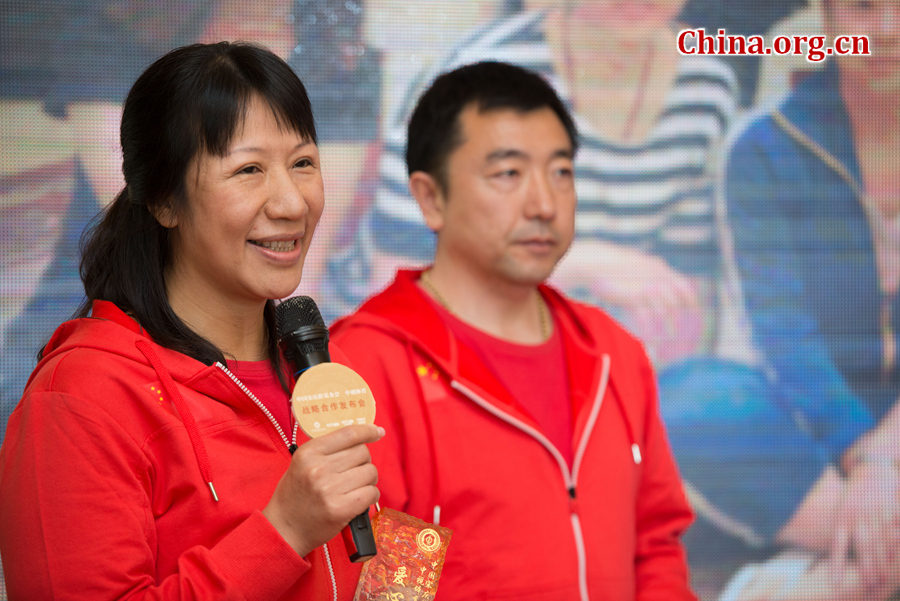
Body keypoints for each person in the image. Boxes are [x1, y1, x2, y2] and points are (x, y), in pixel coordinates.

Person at [0, 42, 383, 599]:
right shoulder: (81, 397)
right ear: (163, 199)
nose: (291, 203)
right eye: (248, 169)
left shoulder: (323, 369)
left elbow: (372, 568)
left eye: (303, 162)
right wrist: (283, 532)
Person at [331, 60, 697, 601]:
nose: (544, 205)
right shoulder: (373, 363)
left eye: (561, 172)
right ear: (431, 198)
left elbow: (655, 545)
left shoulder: (612, 353)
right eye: (508, 174)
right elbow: (390, 589)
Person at [324, 0, 739, 370]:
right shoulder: (480, 72)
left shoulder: (708, 87)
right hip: (423, 355)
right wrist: (577, 264)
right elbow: (400, 283)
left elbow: (689, 284)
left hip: (584, 353)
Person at [723, 0, 900, 597]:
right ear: (827, 15)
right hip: (819, 431)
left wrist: (887, 456)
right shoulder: (763, 151)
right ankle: (876, 559)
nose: (889, 29)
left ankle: (836, 582)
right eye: (865, 7)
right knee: (690, 398)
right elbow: (782, 335)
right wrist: (861, 454)